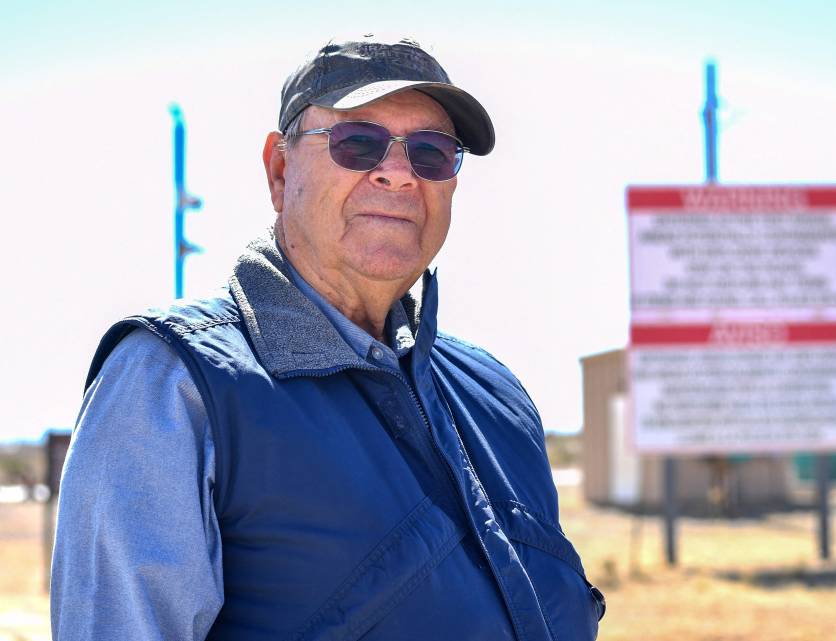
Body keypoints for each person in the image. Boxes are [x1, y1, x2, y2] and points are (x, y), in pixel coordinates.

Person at [51, 35, 605, 641]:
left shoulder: (495, 394)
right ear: (280, 169)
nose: (398, 174)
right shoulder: (173, 383)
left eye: (431, 152)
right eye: (359, 143)